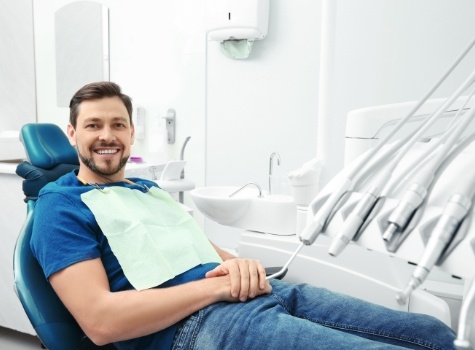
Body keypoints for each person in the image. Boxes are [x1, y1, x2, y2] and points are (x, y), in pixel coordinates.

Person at [31, 81, 456, 350]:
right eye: (92, 126)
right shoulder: (60, 205)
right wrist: (216, 290)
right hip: (197, 327)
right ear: (72, 134)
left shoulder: (147, 190)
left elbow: (205, 253)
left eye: (118, 125)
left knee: (432, 334)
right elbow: (102, 321)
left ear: (130, 133)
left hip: (260, 294)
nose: (107, 135)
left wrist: (243, 266)